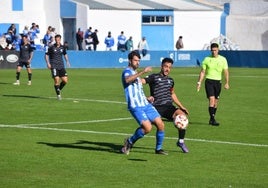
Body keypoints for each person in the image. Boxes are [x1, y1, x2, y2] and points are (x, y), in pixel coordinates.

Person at [121, 50, 167, 155]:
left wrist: (146, 98)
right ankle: (130, 141)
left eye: (139, 61)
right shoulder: (127, 72)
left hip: (145, 104)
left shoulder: (135, 75)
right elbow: (127, 80)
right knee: (147, 128)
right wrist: (143, 72)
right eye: (135, 60)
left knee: (160, 124)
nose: (138, 63)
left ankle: (158, 149)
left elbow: (137, 91)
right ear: (129, 61)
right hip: (136, 106)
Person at [142, 57, 190, 153]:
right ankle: (131, 141)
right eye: (165, 66)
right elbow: (139, 83)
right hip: (156, 107)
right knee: (147, 128)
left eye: (169, 67)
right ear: (161, 66)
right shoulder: (153, 77)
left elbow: (172, 94)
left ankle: (181, 141)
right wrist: (145, 97)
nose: (167, 69)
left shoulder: (171, 80)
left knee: (182, 116)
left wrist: (181, 106)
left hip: (168, 107)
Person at [196, 43, 230, 126]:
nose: (214, 52)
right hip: (209, 82)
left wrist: (227, 83)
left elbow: (226, 72)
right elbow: (203, 72)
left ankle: (212, 118)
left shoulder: (223, 59)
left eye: (215, 50)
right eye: (212, 50)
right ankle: (212, 119)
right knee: (211, 99)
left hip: (218, 82)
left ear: (218, 50)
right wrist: (199, 82)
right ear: (211, 50)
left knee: (216, 102)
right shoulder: (207, 59)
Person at [45, 34, 71, 100]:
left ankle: (58, 89)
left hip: (61, 65)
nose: (57, 41)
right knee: (57, 80)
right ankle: (58, 95)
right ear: (55, 40)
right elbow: (46, 55)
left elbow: (65, 54)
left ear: (60, 40)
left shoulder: (63, 47)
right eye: (56, 40)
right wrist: (48, 63)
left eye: (58, 40)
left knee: (65, 81)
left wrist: (67, 61)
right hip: (54, 65)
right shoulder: (51, 47)